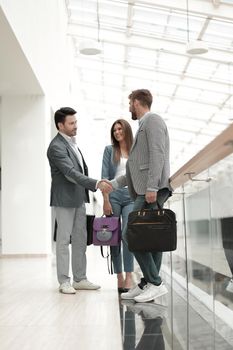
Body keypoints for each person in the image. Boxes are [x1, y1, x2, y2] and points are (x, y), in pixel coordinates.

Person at [111, 89, 172, 303]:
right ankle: (148, 282)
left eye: (130, 103)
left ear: (137, 102)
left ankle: (155, 283)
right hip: (146, 188)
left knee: (131, 234)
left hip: (150, 190)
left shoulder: (152, 120)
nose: (129, 107)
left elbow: (158, 153)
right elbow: (136, 168)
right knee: (151, 239)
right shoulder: (143, 125)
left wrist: (153, 187)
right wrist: (114, 183)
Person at [47, 107, 112, 294]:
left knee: (80, 239)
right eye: (71, 123)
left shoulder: (72, 143)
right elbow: (70, 173)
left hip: (79, 199)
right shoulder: (56, 147)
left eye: (76, 122)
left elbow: (80, 170)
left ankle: (80, 278)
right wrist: (96, 183)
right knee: (63, 241)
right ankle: (64, 281)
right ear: (61, 125)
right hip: (64, 200)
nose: (76, 126)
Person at [101, 119, 134, 292]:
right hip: (113, 196)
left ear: (126, 130)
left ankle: (129, 275)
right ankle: (119, 275)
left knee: (127, 233)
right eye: (115, 130)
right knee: (113, 237)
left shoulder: (135, 149)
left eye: (120, 129)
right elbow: (104, 177)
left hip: (131, 195)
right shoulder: (109, 150)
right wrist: (106, 200)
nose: (117, 132)